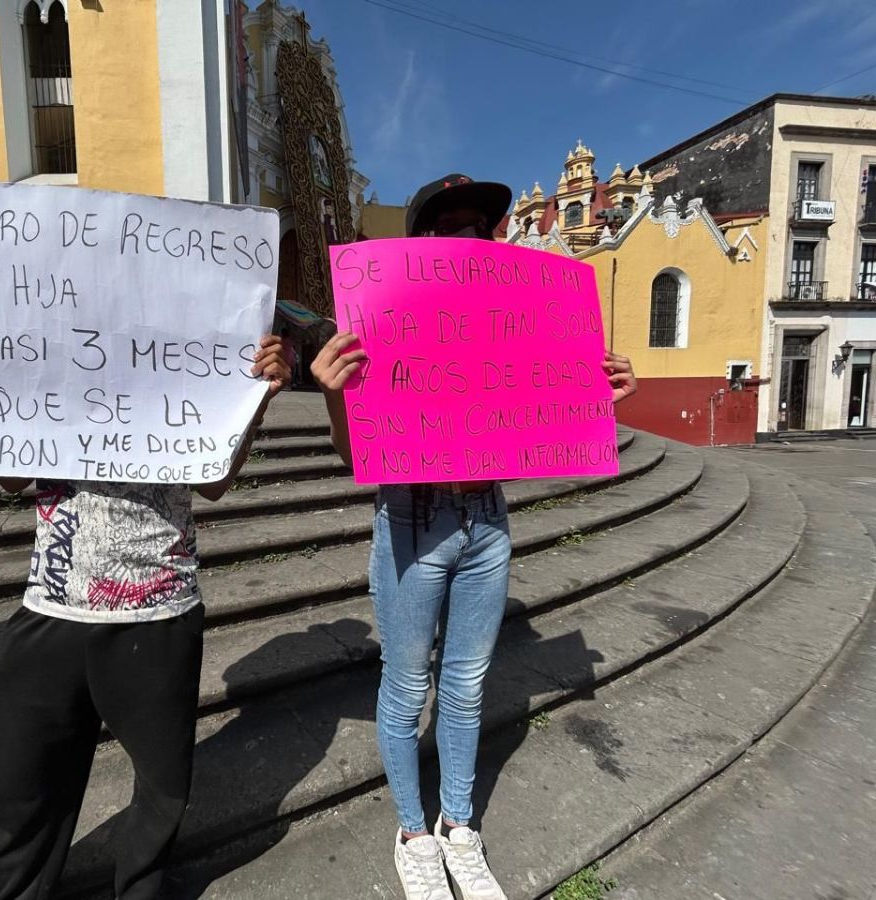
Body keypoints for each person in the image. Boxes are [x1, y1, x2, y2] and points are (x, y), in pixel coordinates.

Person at [311, 174, 637, 900]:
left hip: (487, 522)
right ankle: (413, 834)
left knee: (464, 686)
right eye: (450, 222)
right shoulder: (385, 317)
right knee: (406, 686)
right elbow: (352, 454)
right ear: (422, 241)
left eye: (478, 223)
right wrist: (338, 394)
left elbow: (541, 407)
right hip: (412, 522)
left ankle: (458, 825)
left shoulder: (512, 311)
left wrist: (598, 393)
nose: (467, 233)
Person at [0, 318, 291, 900]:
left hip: (160, 609)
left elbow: (214, 483)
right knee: (19, 788)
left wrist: (254, 399)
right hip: (52, 602)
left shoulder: (190, 330)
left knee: (160, 792)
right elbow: (10, 478)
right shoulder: (44, 328)